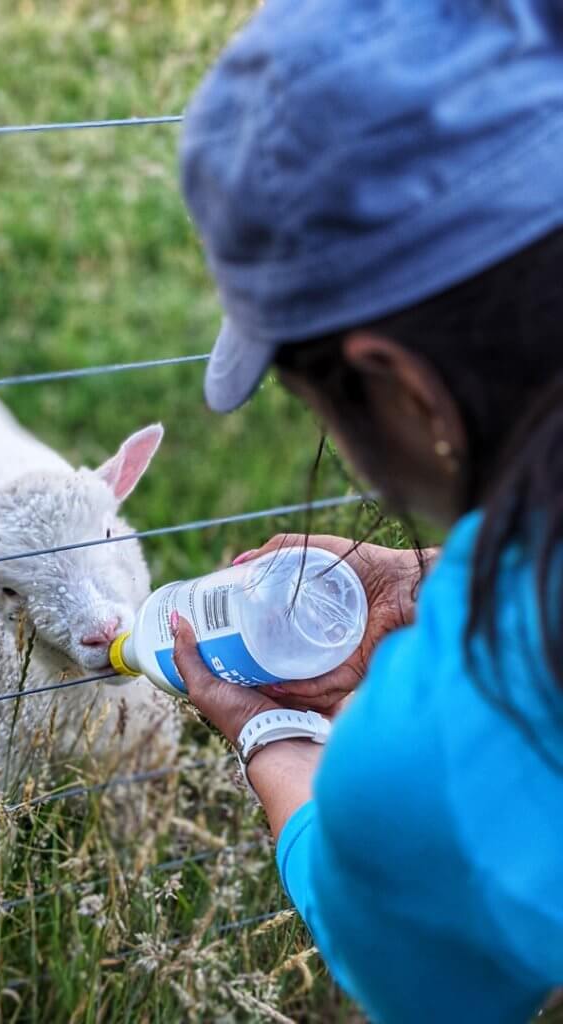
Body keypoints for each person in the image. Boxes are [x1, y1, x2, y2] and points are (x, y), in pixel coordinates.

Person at [170, 2, 563, 1021]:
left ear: (407, 391)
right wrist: (435, 580)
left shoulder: (451, 741)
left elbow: (415, 972)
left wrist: (278, 744)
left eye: (318, 404)